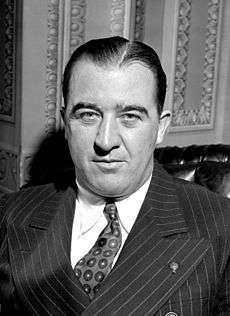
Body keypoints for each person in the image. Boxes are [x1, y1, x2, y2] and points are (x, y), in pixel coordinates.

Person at [0, 36, 230, 316]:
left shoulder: (220, 227)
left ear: (160, 127)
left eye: (130, 116)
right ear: (66, 122)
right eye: (88, 115)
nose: (106, 140)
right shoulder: (11, 215)